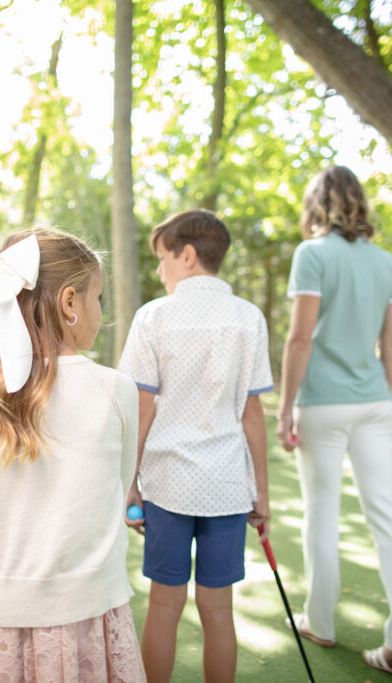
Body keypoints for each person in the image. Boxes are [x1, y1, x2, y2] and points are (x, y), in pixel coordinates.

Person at [0, 228, 146, 682]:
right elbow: (116, 488)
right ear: (70, 303)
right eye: (98, 297)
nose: (101, 310)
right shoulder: (117, 391)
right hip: (90, 615)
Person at [276, 166, 392, 683]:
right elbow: (390, 343)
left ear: (317, 203)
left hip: (323, 404)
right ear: (358, 202)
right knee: (386, 510)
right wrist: (382, 393)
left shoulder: (312, 254)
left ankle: (319, 622)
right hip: (373, 402)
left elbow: (299, 339)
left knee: (322, 512)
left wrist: (284, 409)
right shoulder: (385, 263)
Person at [117, 209, 272, 683]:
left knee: (164, 603)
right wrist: (260, 493)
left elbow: (141, 411)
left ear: (187, 255)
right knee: (218, 609)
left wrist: (129, 484)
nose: (160, 270)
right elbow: (252, 415)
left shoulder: (153, 318)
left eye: (163, 258)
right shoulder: (249, 318)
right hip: (227, 486)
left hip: (167, 483)